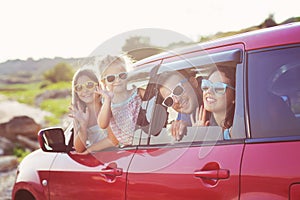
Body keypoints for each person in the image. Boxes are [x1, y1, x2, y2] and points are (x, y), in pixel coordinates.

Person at [96, 55, 145, 147]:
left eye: (122, 75)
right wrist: (107, 100)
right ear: (103, 82)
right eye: (111, 78)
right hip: (127, 149)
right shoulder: (108, 104)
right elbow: (102, 124)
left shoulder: (138, 93)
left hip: (145, 142)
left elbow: (157, 98)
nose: (117, 80)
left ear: (128, 76)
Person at [69, 68, 118, 153]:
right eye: (79, 88)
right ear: (75, 92)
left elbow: (113, 141)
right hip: (97, 163)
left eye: (89, 85)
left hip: (117, 157)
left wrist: (90, 149)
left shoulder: (107, 106)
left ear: (98, 85)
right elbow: (79, 149)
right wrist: (83, 125)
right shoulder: (79, 114)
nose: (85, 90)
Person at [158, 69, 204, 141]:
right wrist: (180, 131)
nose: (176, 101)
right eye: (169, 100)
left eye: (178, 90)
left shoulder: (218, 100)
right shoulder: (183, 115)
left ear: (193, 82)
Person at [198, 66, 236, 139]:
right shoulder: (202, 122)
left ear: (234, 96)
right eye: (206, 85)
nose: (209, 91)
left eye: (219, 87)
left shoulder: (238, 129)